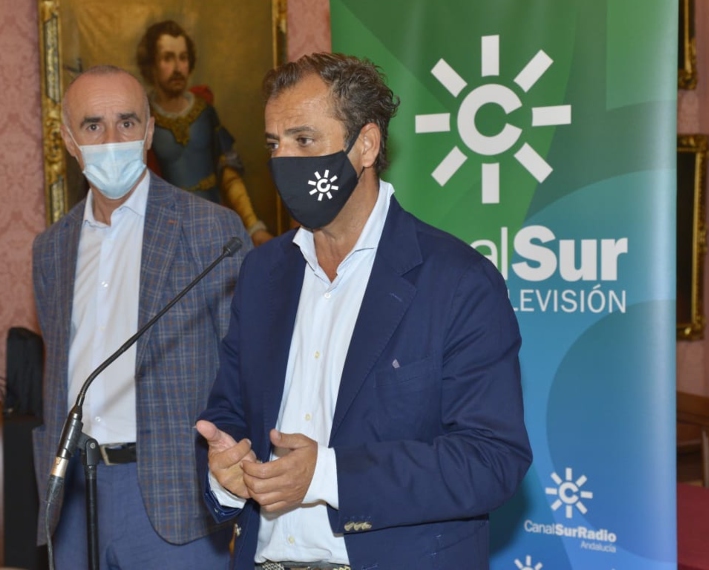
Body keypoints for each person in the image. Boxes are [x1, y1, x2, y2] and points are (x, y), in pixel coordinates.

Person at [195, 53, 532, 569]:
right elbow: (231, 414)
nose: (284, 161)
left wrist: (326, 476)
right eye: (274, 144)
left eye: (304, 140)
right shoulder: (262, 274)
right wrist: (226, 473)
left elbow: (491, 459)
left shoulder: (458, 281)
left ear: (367, 145)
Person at [32, 64, 249, 569]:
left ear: (149, 131)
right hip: (73, 495)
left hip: (175, 498)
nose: (112, 140)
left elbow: (245, 371)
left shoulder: (211, 230)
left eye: (126, 123)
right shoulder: (50, 249)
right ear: (68, 140)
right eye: (93, 126)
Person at [136, 19, 274, 247]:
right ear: (152, 65)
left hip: (214, 224)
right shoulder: (142, 118)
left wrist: (254, 227)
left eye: (183, 58)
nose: (177, 67)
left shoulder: (205, 111)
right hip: (168, 233)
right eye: (168, 58)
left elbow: (228, 173)